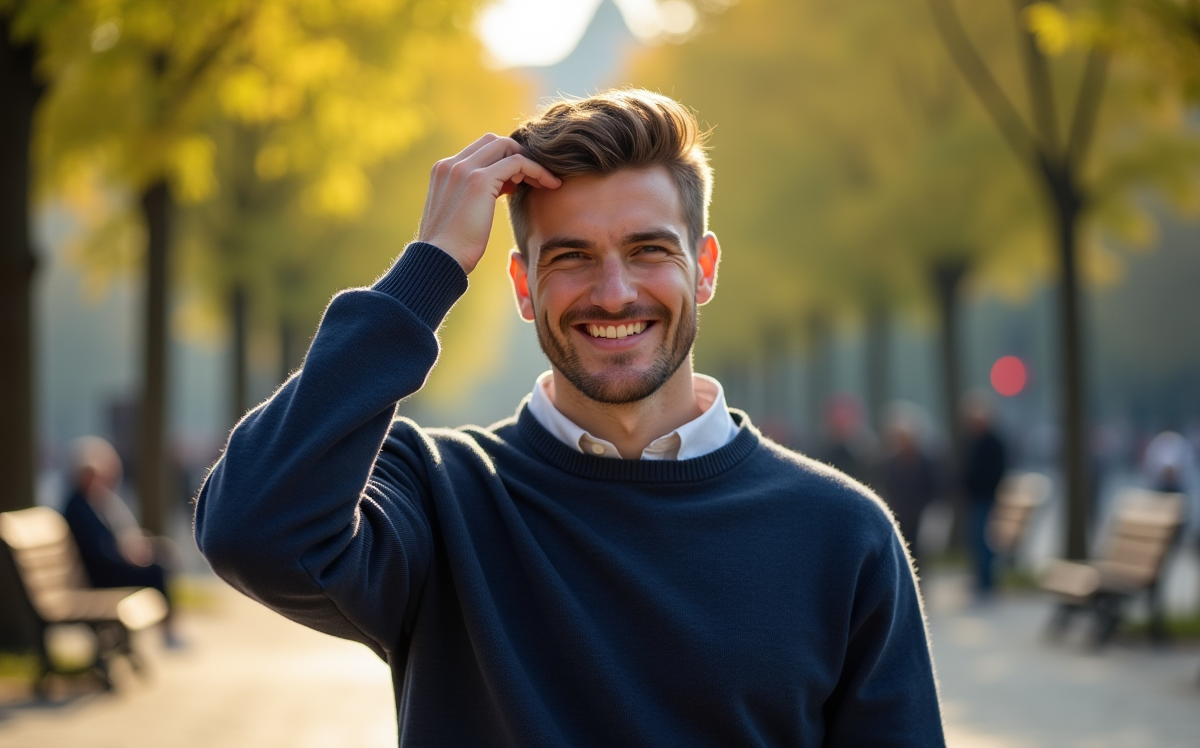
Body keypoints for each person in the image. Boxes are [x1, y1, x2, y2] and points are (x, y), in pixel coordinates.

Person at [195, 90, 944, 746]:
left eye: (649, 249)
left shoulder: (843, 533)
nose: (614, 293)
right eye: (572, 258)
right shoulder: (435, 494)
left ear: (705, 267)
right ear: (522, 285)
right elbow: (251, 530)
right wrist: (428, 269)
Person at [62, 436, 182, 646]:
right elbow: (98, 553)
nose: (103, 480)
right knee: (155, 569)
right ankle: (168, 632)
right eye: (97, 475)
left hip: (100, 571)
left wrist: (130, 550)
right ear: (86, 476)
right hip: (98, 577)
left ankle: (168, 630)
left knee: (159, 556)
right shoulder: (78, 507)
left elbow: (106, 541)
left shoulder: (87, 502)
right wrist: (126, 558)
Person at [877, 403, 939, 570]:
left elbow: (933, 487)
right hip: (899, 512)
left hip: (919, 512)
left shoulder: (925, 462)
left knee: (918, 550)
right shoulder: (890, 463)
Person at [960, 393, 1008, 598]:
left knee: (984, 541)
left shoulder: (991, 443)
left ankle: (987, 581)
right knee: (977, 541)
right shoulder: (976, 441)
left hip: (985, 498)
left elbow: (992, 472)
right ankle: (981, 578)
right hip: (977, 498)